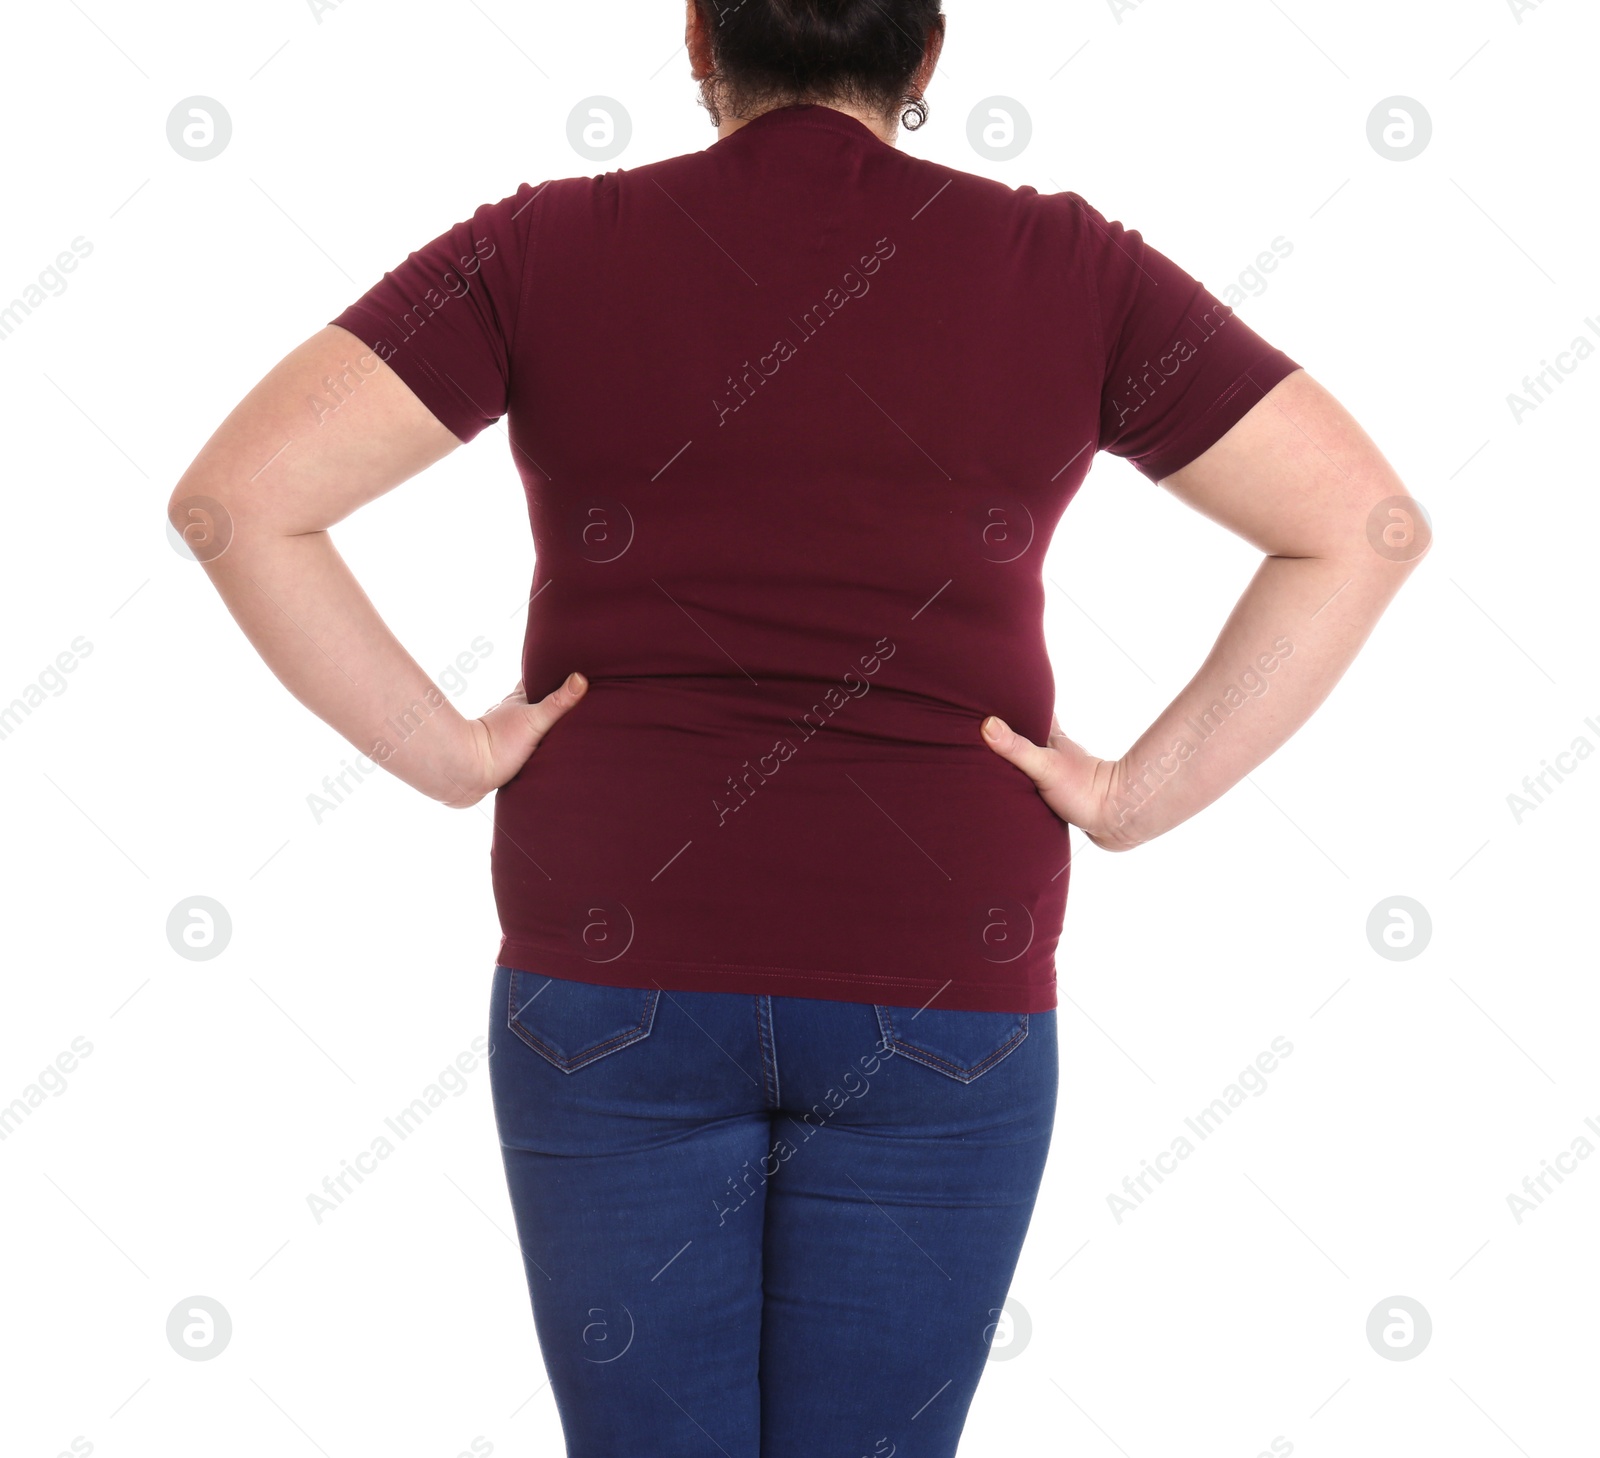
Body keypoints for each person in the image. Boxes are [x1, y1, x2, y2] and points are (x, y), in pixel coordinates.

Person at [168, 2, 1428, 1453]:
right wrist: (1137, 793)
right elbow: (1364, 526)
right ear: (927, 55)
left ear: (699, 35)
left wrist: (451, 755)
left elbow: (235, 501)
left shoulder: (544, 246)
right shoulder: (1068, 266)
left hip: (614, 963)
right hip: (941, 979)